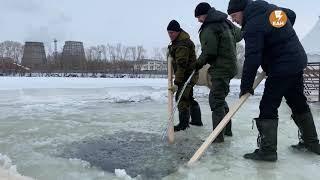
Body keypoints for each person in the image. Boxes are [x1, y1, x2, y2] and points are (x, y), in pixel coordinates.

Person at [227, 0, 320, 161]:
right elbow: (291, 15)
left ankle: (268, 151)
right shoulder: (270, 9)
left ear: (243, 11)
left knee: (268, 106)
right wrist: (279, 35)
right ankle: (311, 142)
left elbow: (252, 59)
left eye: (234, 15)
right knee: (298, 102)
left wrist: (246, 86)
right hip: (296, 60)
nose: (233, 20)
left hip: (282, 66)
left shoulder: (252, 26)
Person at [191, 3, 242, 142]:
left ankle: (217, 138)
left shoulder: (209, 27)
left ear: (205, 14)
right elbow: (239, 35)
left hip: (221, 68)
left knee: (216, 100)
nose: (198, 20)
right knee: (220, 98)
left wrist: (197, 64)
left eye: (199, 17)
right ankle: (227, 131)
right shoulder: (225, 21)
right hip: (230, 66)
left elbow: (209, 52)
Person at [167, 20, 203, 132]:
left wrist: (177, 83)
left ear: (178, 32)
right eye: (168, 32)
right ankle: (196, 121)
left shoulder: (183, 44)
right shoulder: (178, 42)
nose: (170, 35)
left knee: (181, 97)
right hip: (185, 75)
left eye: (172, 32)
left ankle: (183, 124)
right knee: (188, 97)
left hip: (188, 75)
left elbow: (181, 64)